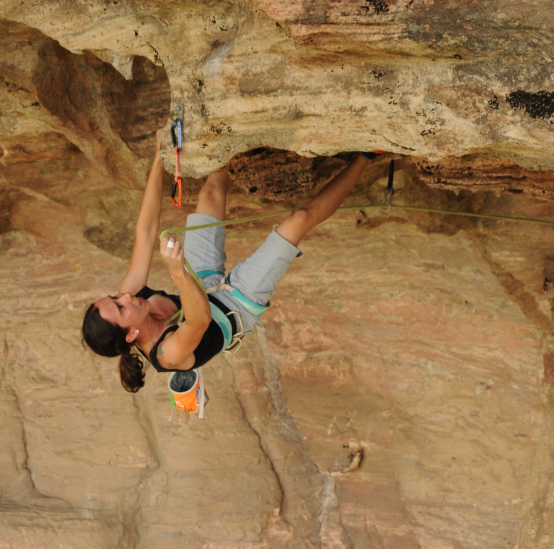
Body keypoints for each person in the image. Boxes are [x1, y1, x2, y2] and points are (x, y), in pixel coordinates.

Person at [82, 126, 375, 394]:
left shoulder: (132, 298)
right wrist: (177, 271)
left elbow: (145, 233)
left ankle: (237, 128)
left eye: (115, 296)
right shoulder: (167, 354)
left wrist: (160, 156)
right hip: (234, 308)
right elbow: (200, 318)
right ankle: (367, 155)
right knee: (299, 219)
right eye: (121, 307)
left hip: (199, 283)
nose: (125, 296)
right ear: (132, 333)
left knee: (212, 190)